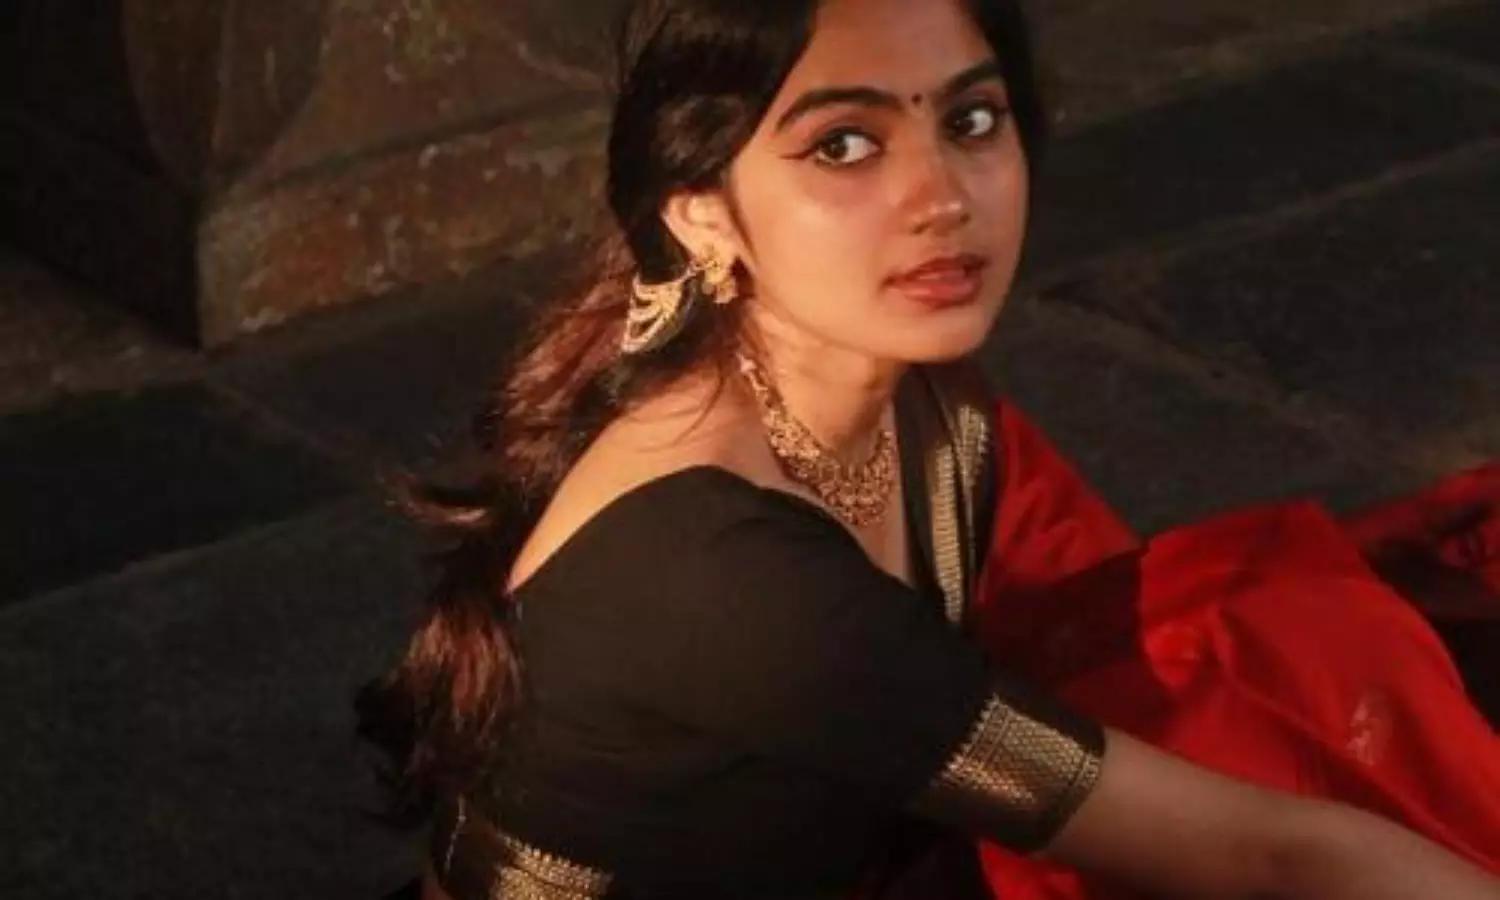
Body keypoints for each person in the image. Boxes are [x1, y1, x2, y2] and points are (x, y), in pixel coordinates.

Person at [357, 0, 1500, 897]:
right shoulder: (718, 569)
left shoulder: (924, 402)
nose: (941, 197)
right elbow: (1270, 857)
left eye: (971, 122)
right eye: (845, 144)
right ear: (701, 211)